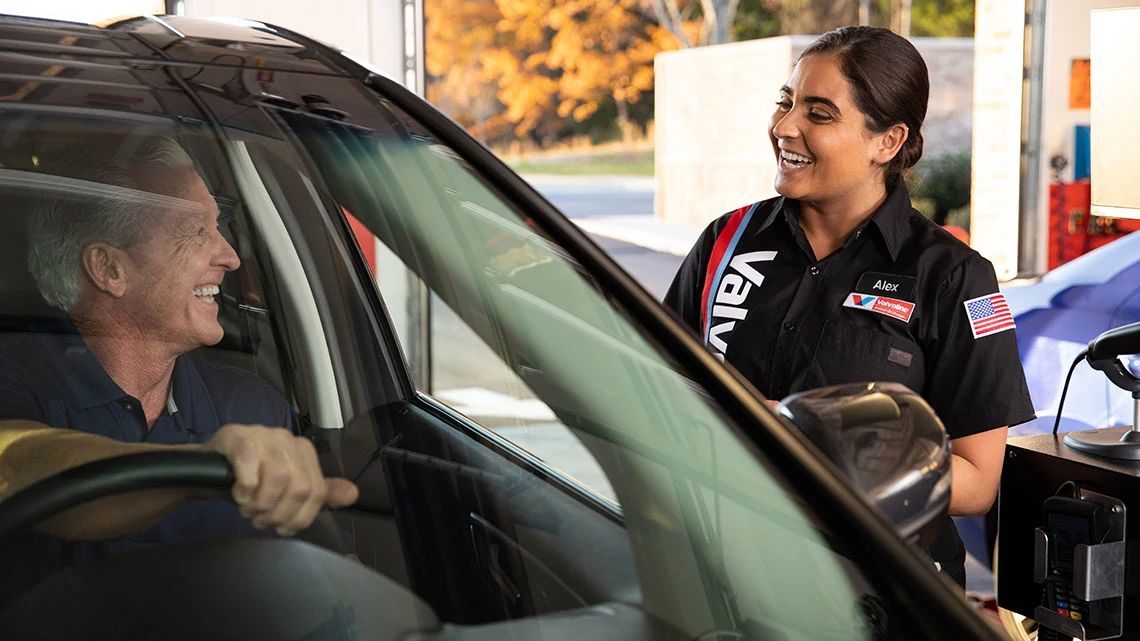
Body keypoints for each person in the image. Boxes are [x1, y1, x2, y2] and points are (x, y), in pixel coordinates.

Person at [663, 26, 1035, 587]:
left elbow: (978, 482)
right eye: (786, 103)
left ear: (886, 141)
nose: (785, 127)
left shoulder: (954, 277)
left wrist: (816, 442)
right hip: (726, 572)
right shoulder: (727, 240)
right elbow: (662, 384)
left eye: (819, 113)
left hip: (878, 596)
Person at [0, 137, 358, 605]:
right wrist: (200, 469)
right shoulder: (17, 386)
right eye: (196, 232)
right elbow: (17, 460)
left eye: (218, 226)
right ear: (108, 268)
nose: (230, 256)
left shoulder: (252, 407)